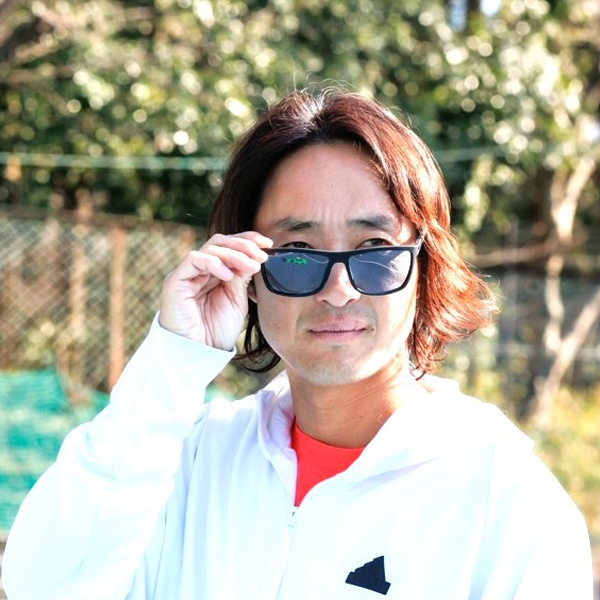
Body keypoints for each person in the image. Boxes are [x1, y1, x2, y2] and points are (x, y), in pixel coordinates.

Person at [2, 88, 593, 600]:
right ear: (247, 271)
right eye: (298, 254)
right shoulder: (190, 459)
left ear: (424, 266)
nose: (338, 291)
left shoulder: (500, 494)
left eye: (374, 251)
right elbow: (43, 584)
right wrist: (173, 361)